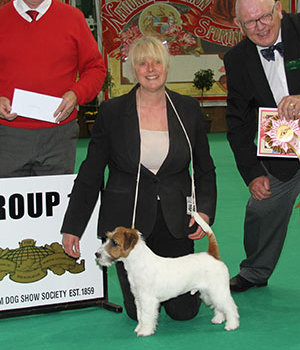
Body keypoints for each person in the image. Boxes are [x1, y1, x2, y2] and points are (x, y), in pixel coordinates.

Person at [61, 36, 217, 321]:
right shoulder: (112, 112)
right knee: (137, 313)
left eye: (156, 61)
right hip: (127, 226)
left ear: (167, 67)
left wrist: (204, 212)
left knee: (183, 312)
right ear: (133, 70)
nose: (150, 68)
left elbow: (205, 168)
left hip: (174, 221)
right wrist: (73, 225)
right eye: (142, 63)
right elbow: (91, 172)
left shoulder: (188, 110)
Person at [0, 0, 105, 177]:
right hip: (6, 136)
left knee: (55, 210)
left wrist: (76, 94)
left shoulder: (73, 18)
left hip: (59, 137)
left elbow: (96, 69)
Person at [224, 0, 300, 292]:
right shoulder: (237, 59)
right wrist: (252, 173)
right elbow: (237, 124)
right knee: (260, 208)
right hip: (282, 148)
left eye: (265, 16)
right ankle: (255, 270)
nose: (260, 26)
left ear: (279, 9)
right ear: (238, 25)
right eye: (250, 22)